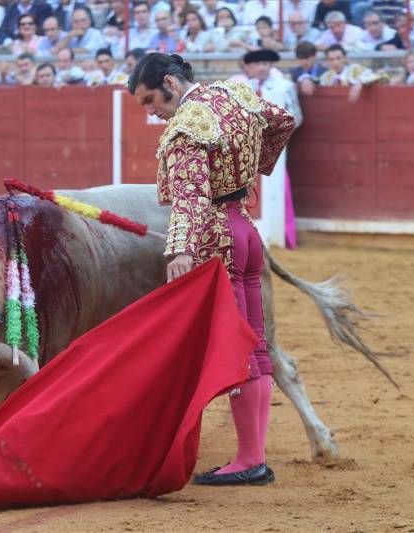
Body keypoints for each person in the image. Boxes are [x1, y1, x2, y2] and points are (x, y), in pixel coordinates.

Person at [127, 53, 296, 486]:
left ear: (170, 82)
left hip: (215, 239)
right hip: (246, 230)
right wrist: (255, 166)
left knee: (234, 348)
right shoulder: (233, 93)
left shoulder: (186, 126)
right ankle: (252, 455)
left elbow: (192, 196)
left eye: (151, 99)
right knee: (254, 347)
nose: (152, 111)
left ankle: (248, 460)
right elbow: (282, 121)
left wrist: (180, 250)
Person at [231, 48, 302, 249]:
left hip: (272, 148)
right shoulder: (236, 86)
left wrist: (273, 135)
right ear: (248, 67)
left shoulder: (284, 86)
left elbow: (296, 116)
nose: (262, 67)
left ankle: (284, 235)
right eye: (257, 64)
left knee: (277, 186)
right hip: (241, 147)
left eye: (266, 63)